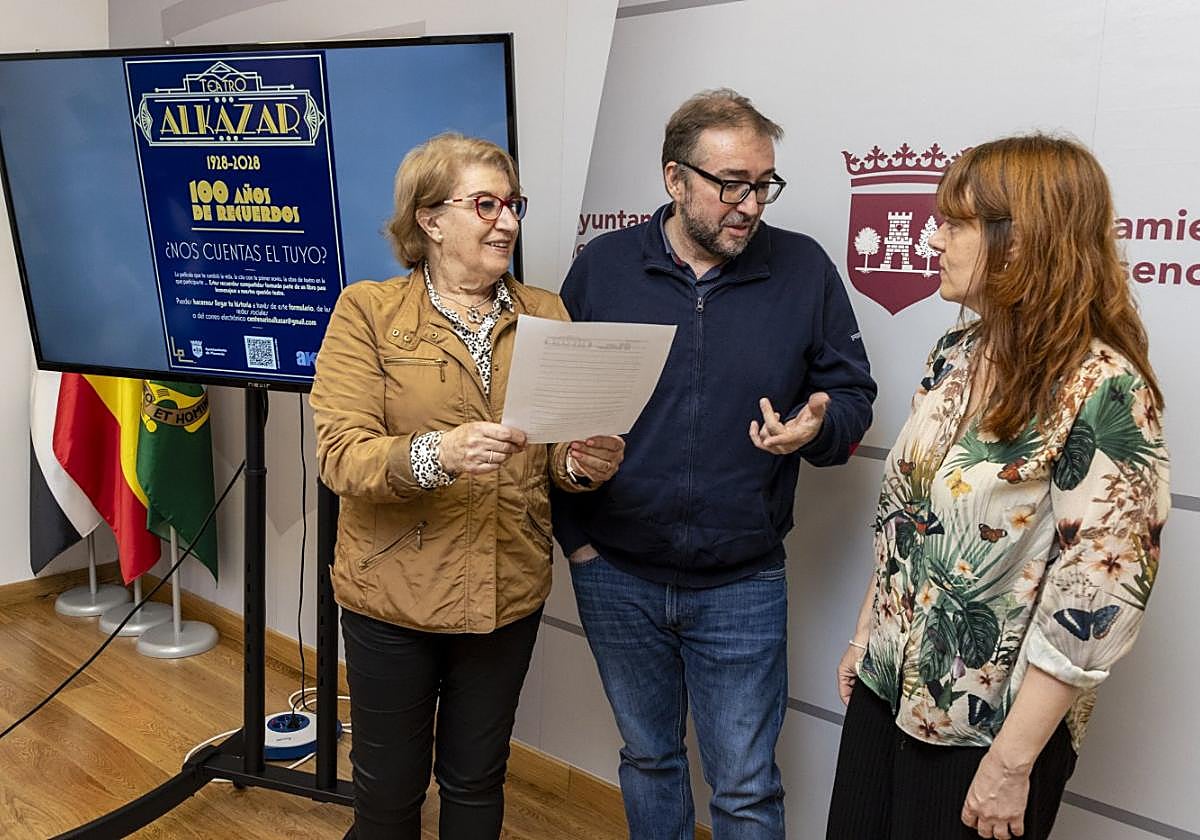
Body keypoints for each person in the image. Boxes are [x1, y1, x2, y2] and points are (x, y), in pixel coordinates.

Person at [826, 135, 1170, 840]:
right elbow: (909, 511)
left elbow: (1096, 602)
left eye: (955, 223)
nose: (932, 236)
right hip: (885, 691)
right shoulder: (955, 351)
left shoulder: (1104, 389)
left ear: (1022, 242)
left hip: (984, 733)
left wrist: (1012, 765)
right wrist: (866, 637)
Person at [553, 89, 877, 839]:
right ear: (675, 179)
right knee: (649, 760)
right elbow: (554, 415)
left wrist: (821, 425)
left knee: (746, 788)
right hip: (616, 574)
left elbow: (851, 395)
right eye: (731, 183)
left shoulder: (803, 269)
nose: (750, 203)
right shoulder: (603, 268)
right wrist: (579, 543)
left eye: (764, 183)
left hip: (742, 581)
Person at [310, 133, 625, 840]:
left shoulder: (547, 312)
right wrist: (438, 452)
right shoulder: (367, 313)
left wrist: (581, 463)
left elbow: (551, 459)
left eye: (513, 205)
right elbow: (342, 457)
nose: (507, 222)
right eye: (486, 204)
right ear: (429, 219)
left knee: (477, 782)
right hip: (391, 597)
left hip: (504, 590)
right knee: (389, 796)